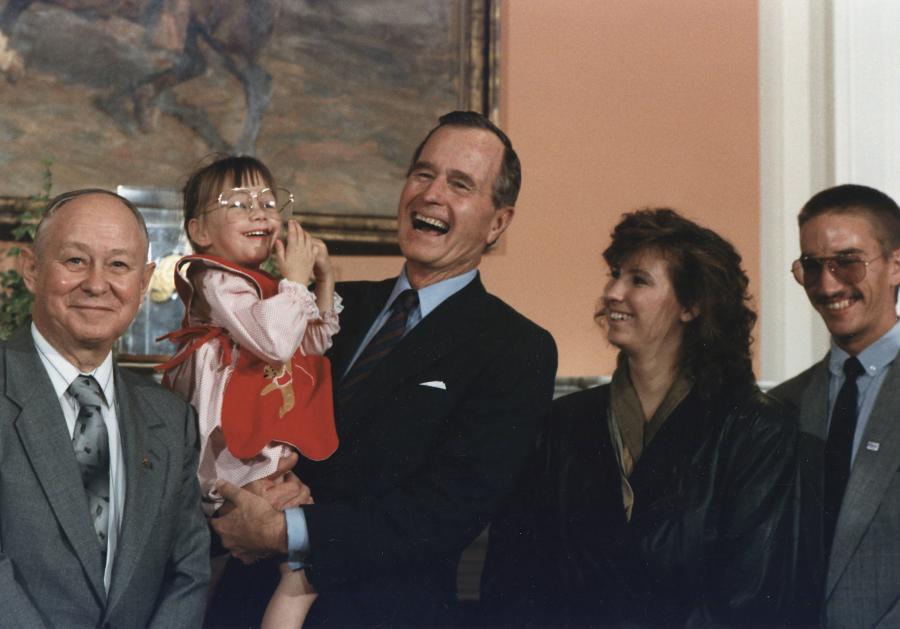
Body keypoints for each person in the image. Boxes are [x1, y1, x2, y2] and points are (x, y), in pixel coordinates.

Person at [208, 110, 558, 627]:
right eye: (423, 173)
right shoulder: (323, 306)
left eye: (459, 184)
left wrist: (284, 530)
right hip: (244, 603)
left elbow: (445, 514)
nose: (431, 194)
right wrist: (244, 499)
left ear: (498, 222)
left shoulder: (515, 349)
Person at [482, 208, 801, 627]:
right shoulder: (562, 422)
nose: (613, 292)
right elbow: (512, 576)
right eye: (615, 274)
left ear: (691, 305)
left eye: (638, 280)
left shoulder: (756, 430)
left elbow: (751, 596)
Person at [0, 189, 210, 627]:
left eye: (118, 265)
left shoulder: (171, 419)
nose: (97, 284)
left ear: (144, 282)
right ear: (32, 270)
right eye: (75, 260)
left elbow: (188, 571)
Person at [157, 156, 340, 628]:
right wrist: (294, 282)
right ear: (199, 231)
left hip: (255, 453)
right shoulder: (217, 279)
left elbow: (311, 344)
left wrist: (322, 281)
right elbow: (274, 340)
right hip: (227, 459)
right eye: (238, 203)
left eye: (268, 202)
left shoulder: (270, 289)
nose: (259, 211)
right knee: (283, 562)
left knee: (294, 561)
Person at [769, 184, 900, 628]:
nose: (827, 285)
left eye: (848, 262)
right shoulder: (781, 405)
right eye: (812, 266)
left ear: (896, 265)